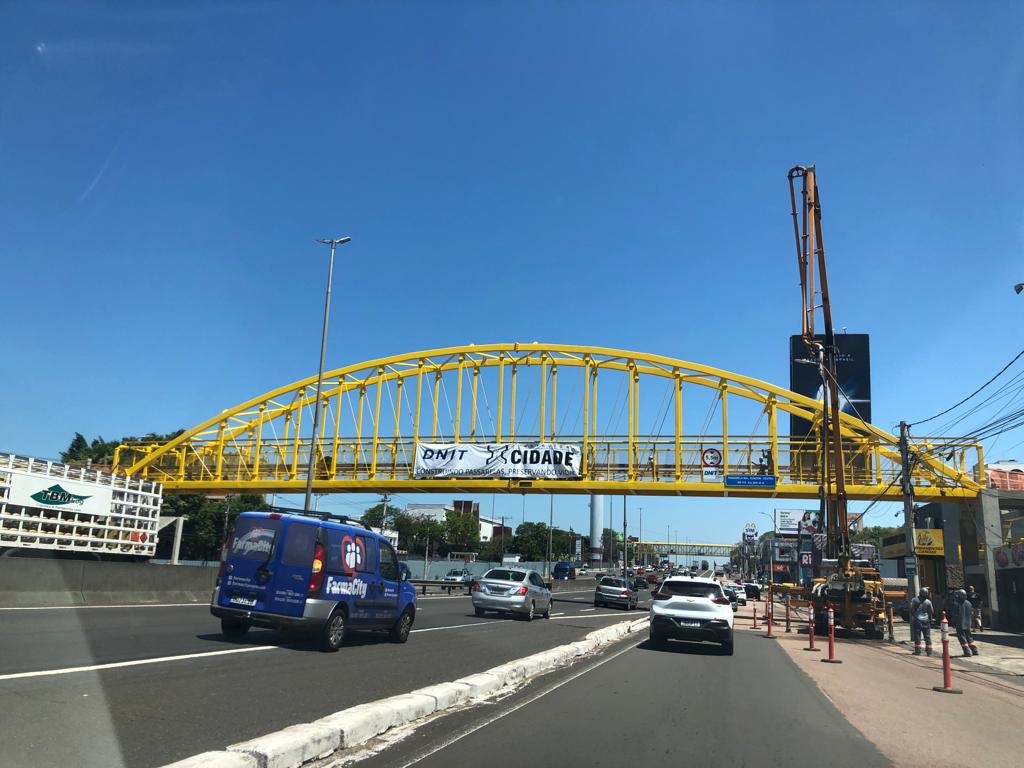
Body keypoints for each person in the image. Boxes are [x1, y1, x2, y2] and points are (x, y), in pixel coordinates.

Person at [952, 589, 979, 657]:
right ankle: (974, 650)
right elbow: (971, 613)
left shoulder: (956, 603)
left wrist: (953, 622)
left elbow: (955, 614)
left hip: (960, 623)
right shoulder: (968, 603)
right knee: (969, 637)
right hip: (968, 623)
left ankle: (967, 652)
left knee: (962, 638)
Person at [909, 587, 934, 657]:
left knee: (917, 636)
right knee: (927, 636)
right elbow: (931, 611)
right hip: (926, 621)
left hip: (917, 620)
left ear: (920, 592)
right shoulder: (928, 601)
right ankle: (929, 651)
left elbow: (911, 609)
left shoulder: (914, 600)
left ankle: (918, 651)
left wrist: (914, 615)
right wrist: (928, 616)